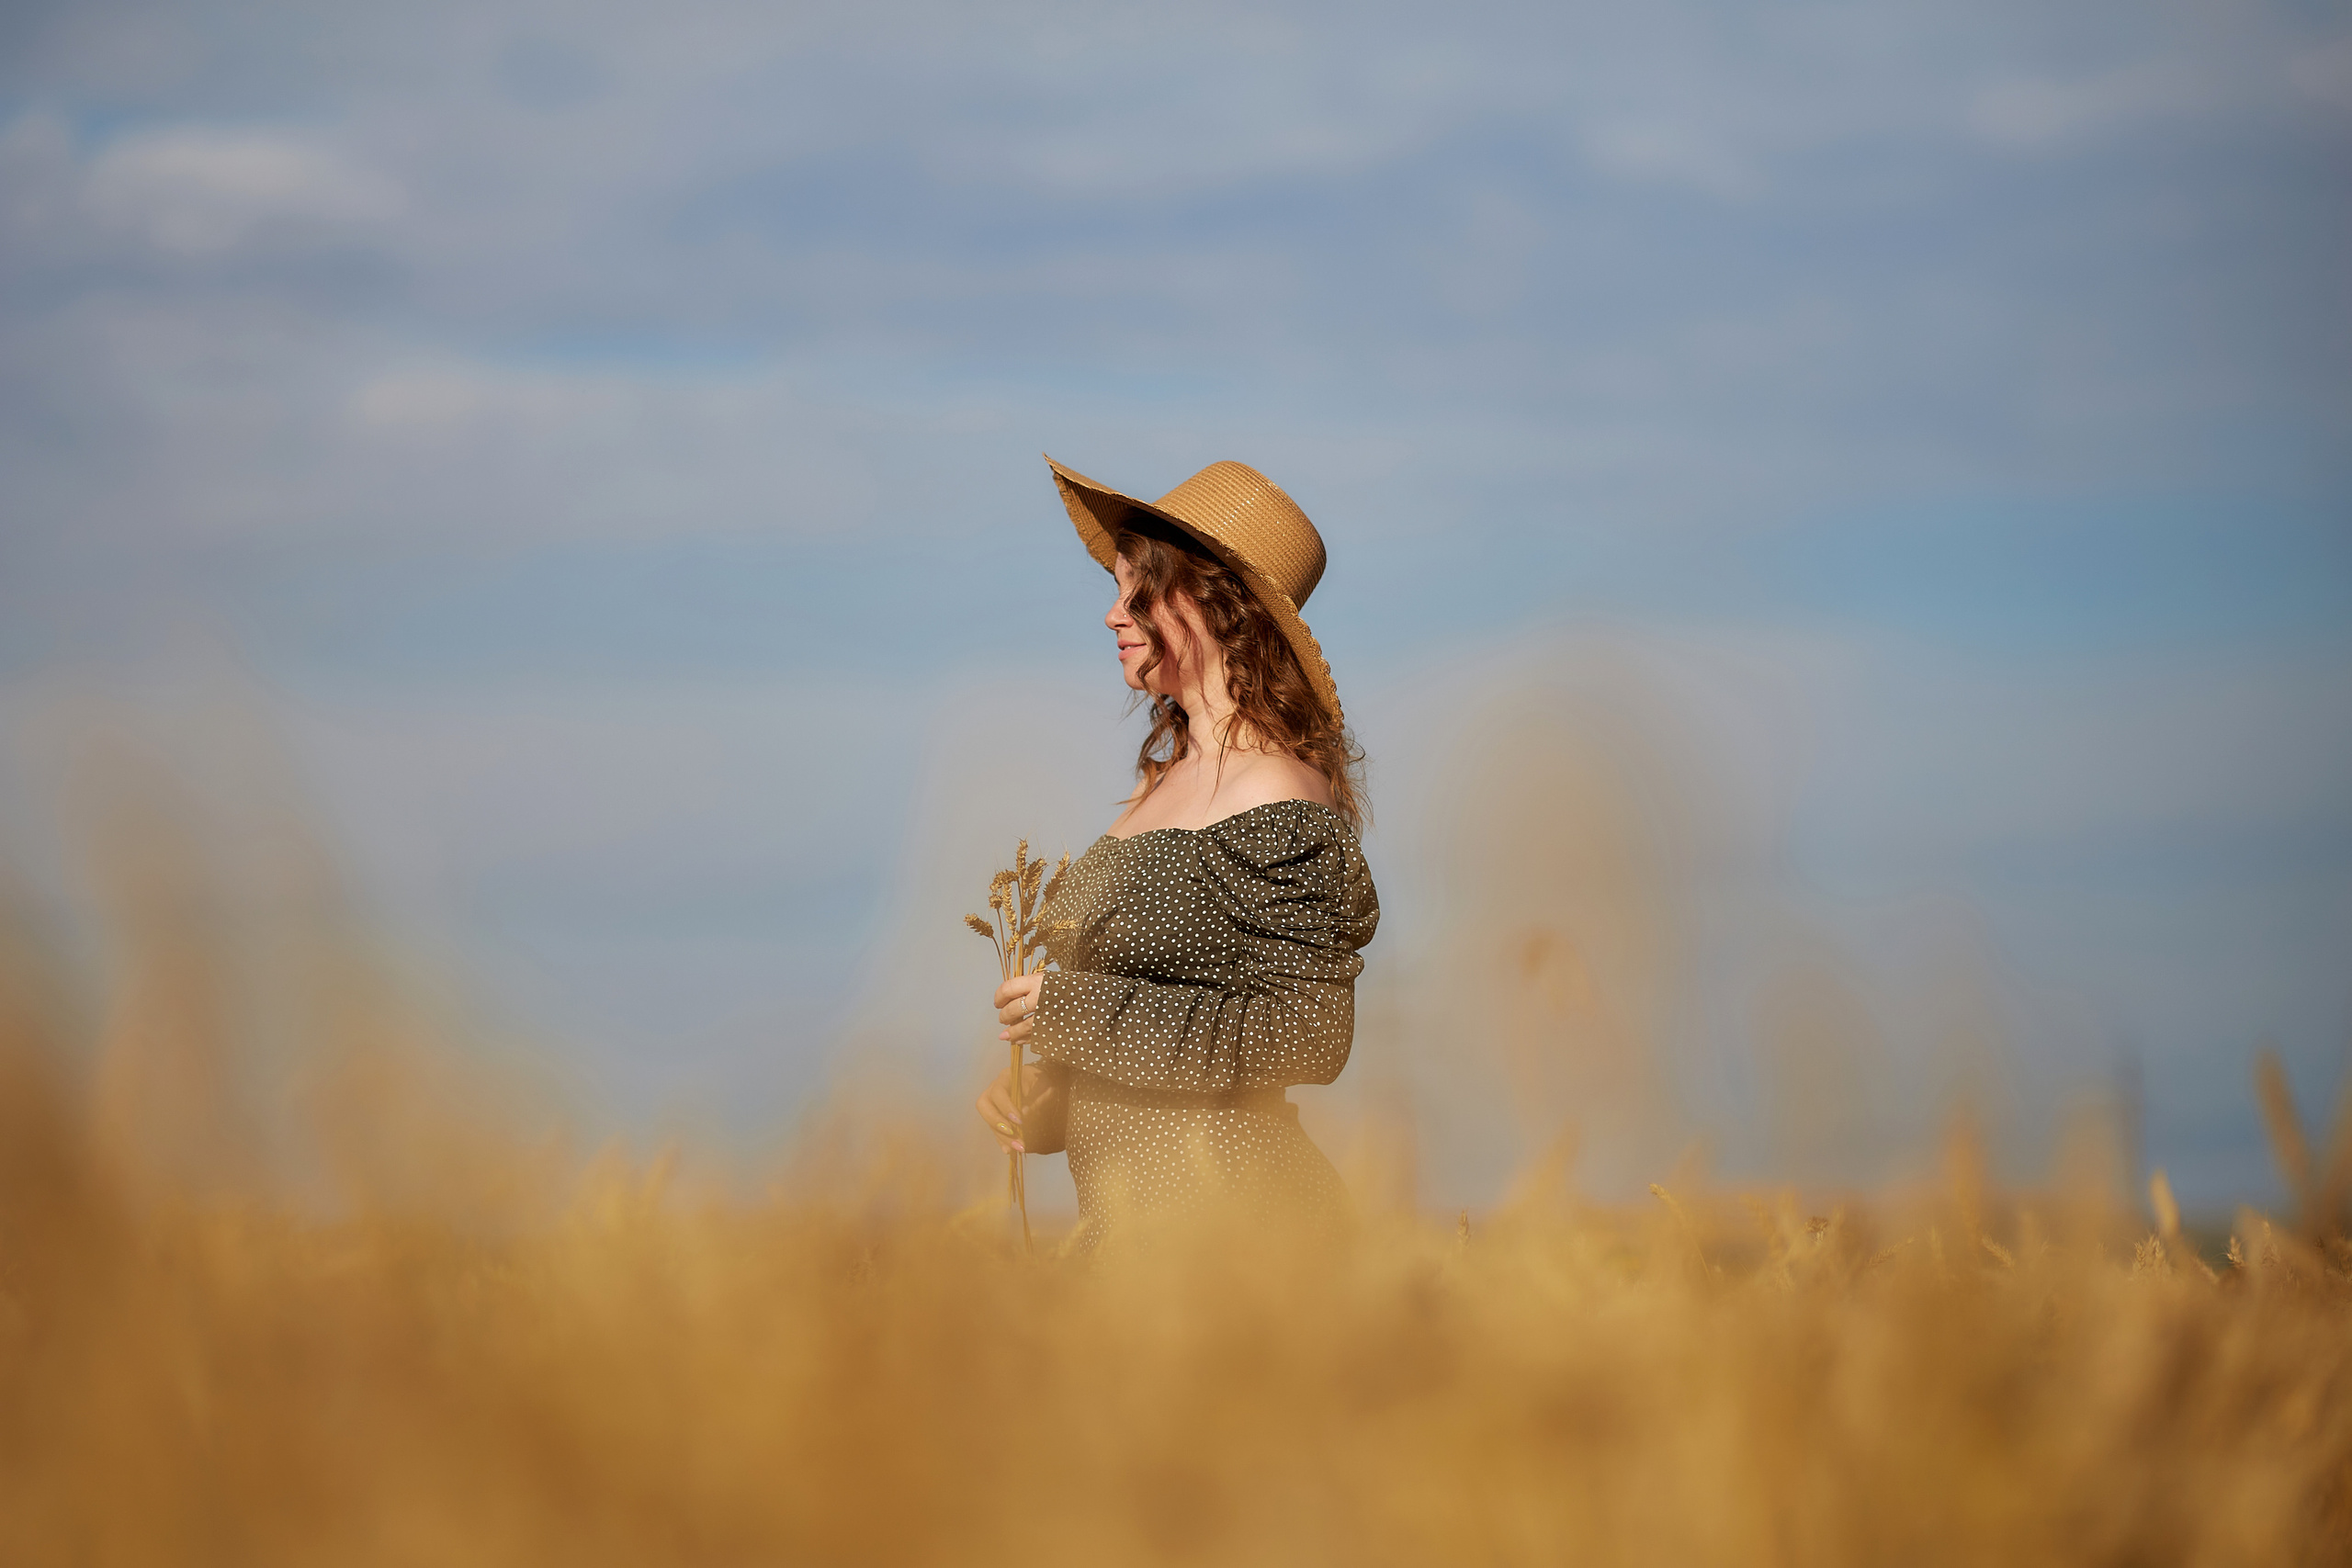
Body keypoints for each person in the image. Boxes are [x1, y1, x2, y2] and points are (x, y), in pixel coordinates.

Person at [974, 456, 1380, 1247]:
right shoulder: (1155, 786)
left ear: (1212, 602)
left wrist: (1074, 1014)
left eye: (1138, 593)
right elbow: (1154, 1029)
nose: (1112, 616)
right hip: (1129, 1237)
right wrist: (1051, 1096)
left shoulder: (1283, 798)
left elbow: (1308, 1033)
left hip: (1236, 1238)